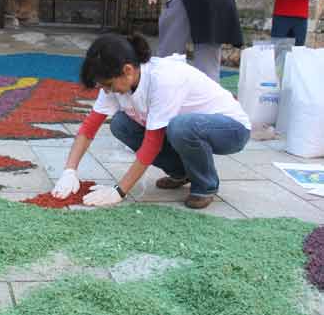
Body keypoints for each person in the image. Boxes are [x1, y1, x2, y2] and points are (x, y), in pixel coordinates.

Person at [52, 33, 251, 210]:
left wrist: (119, 191)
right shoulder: (115, 81)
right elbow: (89, 128)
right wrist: (69, 170)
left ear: (128, 70)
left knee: (180, 127)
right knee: (121, 124)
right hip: (188, 128)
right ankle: (182, 173)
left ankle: (205, 185)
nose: (106, 91)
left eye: (108, 85)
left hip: (231, 129)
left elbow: (152, 143)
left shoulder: (163, 79)